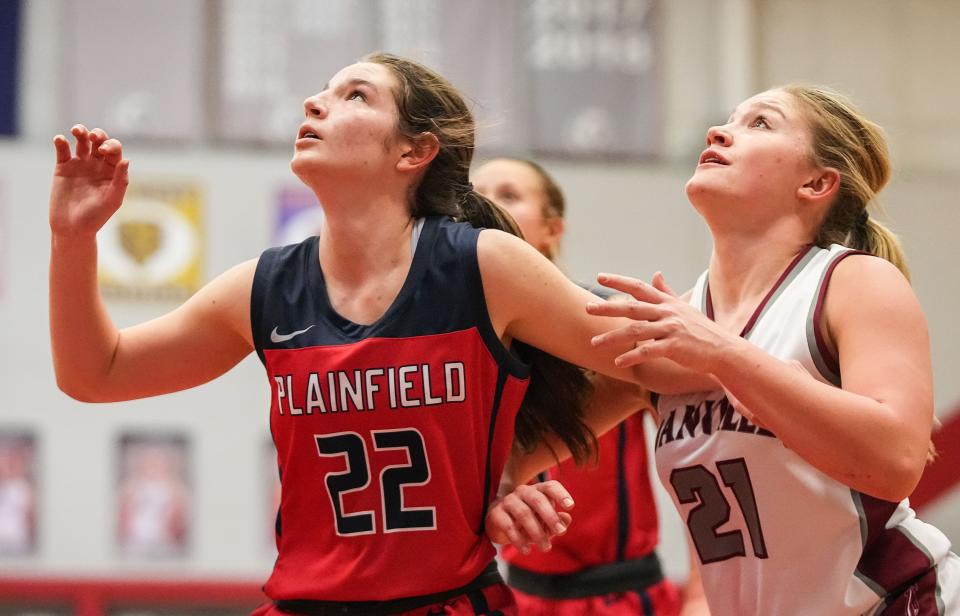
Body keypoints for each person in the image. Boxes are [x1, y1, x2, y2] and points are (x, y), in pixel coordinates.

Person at [48, 52, 685, 615]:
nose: (314, 101)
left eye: (355, 94)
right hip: (304, 604)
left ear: (414, 152)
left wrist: (514, 467)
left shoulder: (480, 265)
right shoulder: (263, 287)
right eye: (324, 89)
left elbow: (654, 370)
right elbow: (94, 374)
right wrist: (72, 240)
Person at [493, 85, 960, 615]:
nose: (720, 131)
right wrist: (507, 492)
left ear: (816, 182)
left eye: (761, 123)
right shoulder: (678, 328)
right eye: (730, 119)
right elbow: (513, 457)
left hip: (901, 601)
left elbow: (897, 460)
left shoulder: (850, 282)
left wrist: (726, 355)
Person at [473, 158, 708, 616]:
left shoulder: (606, 322)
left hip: (621, 597)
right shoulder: (464, 340)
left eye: (508, 194)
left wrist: (700, 589)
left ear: (552, 228)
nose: (486, 204)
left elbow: (696, 462)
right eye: (476, 192)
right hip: (517, 594)